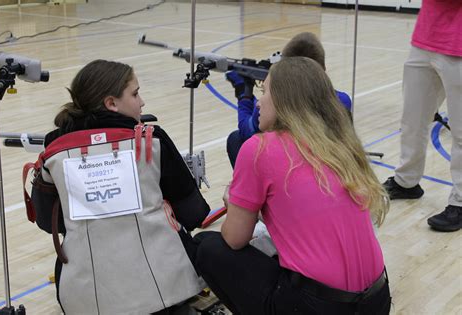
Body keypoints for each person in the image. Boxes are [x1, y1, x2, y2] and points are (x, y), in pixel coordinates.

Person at [194, 57, 391, 315]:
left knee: (207, 246)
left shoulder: (259, 148)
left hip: (320, 307)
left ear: (285, 100)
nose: (258, 101)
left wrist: (233, 204)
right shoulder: (340, 142)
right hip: (378, 300)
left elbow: (234, 239)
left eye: (265, 92)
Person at [32, 60, 210, 314]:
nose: (142, 102)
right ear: (111, 103)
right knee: (206, 245)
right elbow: (193, 213)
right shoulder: (152, 140)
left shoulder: (53, 151)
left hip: (85, 298)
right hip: (164, 290)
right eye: (135, 94)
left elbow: (47, 221)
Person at [383, 0, 461, 232]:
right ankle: (406, 181)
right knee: (412, 120)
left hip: (458, 45)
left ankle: (459, 201)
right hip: (426, 37)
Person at [226, 32, 352, 168]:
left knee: (236, 139)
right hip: (330, 166)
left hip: (291, 166)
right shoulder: (342, 100)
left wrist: (244, 94)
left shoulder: (277, 103)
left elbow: (247, 131)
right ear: (324, 70)